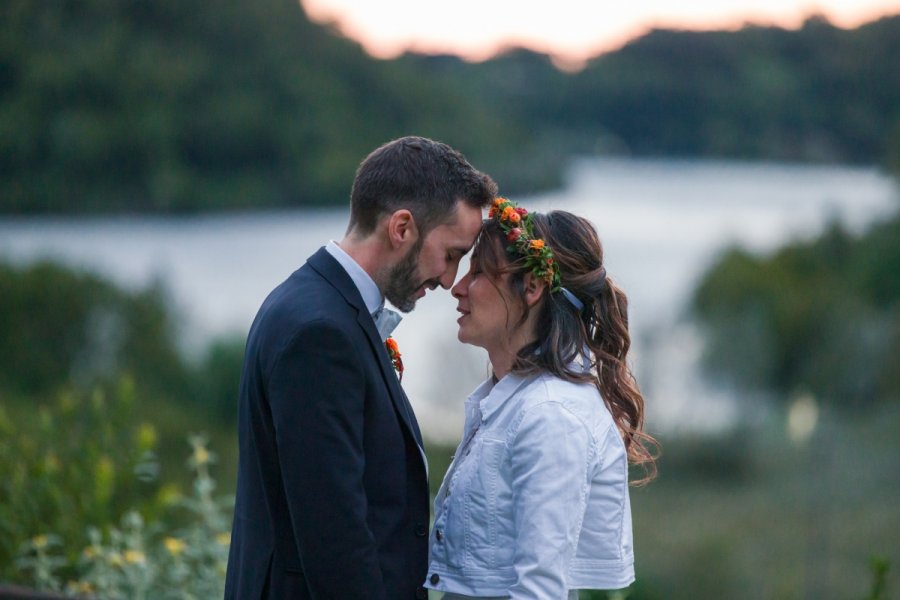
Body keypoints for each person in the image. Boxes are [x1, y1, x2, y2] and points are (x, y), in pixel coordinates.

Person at [224, 136, 497, 600]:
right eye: (450, 254)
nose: (450, 279)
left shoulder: (315, 304)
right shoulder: (320, 333)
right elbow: (335, 536)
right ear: (402, 228)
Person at [425, 199, 658, 599]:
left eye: (479, 272)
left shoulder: (551, 414)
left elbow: (540, 591)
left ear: (531, 287)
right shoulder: (516, 402)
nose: (457, 288)